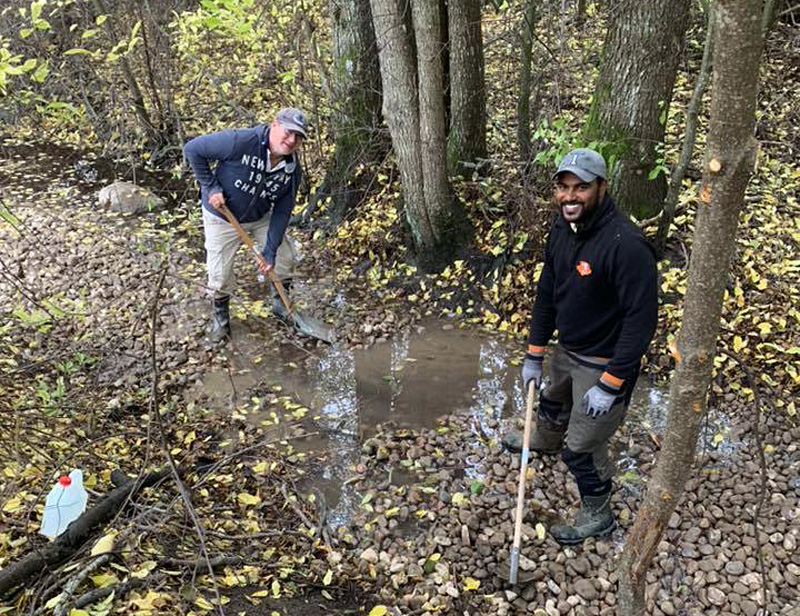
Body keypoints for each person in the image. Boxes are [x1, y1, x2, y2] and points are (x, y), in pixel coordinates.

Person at [503, 148, 658, 545]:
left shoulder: (627, 245)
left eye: (582, 188)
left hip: (605, 362)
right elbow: (547, 294)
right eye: (564, 187)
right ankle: (547, 438)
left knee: (581, 450)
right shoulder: (561, 230)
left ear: (602, 188)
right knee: (551, 405)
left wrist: (610, 383)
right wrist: (534, 354)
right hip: (567, 350)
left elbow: (641, 323)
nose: (570, 197)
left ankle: (598, 512)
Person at [184, 108, 307, 343]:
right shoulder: (240, 141)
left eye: (298, 136)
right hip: (222, 216)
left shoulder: (292, 170)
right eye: (288, 132)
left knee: (283, 257)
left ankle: (281, 305)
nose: (292, 140)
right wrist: (210, 187)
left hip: (261, 216)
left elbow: (283, 210)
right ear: (274, 124)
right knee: (219, 276)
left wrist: (269, 250)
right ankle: (220, 319)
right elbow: (193, 150)